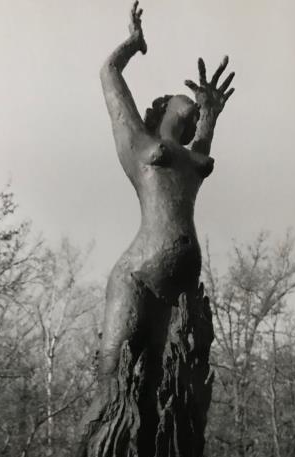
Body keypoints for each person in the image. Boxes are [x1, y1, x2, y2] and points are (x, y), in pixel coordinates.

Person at [99, 1, 235, 381]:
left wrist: (211, 110)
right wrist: (133, 43)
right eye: (180, 96)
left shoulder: (193, 158)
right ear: (162, 109)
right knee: (114, 384)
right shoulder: (140, 146)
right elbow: (108, 73)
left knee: (160, 393)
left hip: (178, 292)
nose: (186, 98)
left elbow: (204, 137)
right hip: (136, 278)